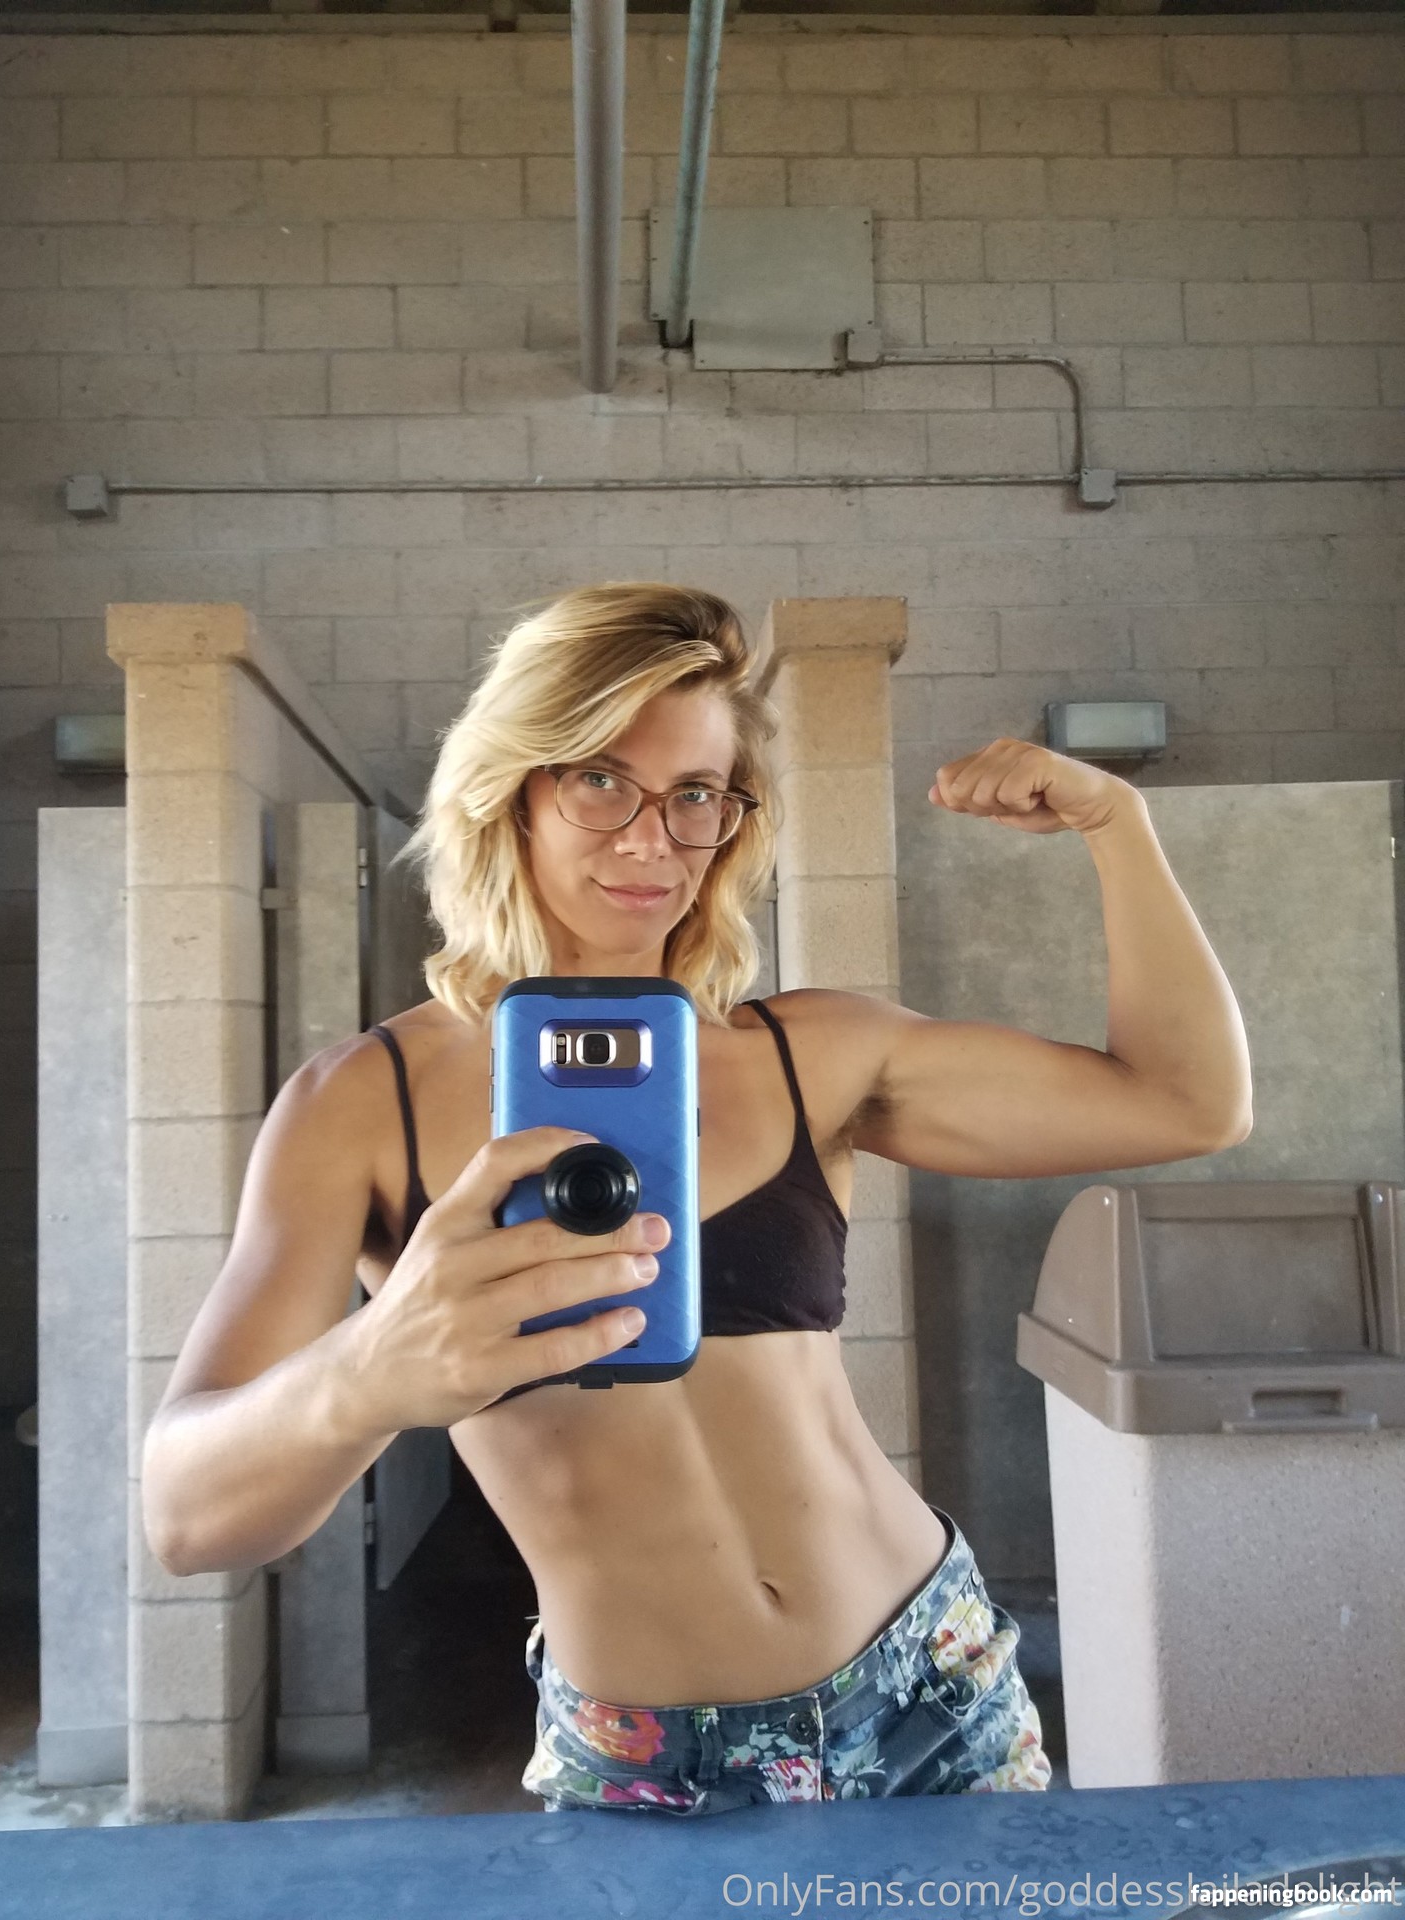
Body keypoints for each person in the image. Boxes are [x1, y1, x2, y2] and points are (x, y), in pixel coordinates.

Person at [141, 582, 1252, 1813]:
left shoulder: (812, 1052)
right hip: (648, 1758)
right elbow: (186, 1518)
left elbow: (1186, 1103)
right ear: (511, 789)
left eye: (695, 796)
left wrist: (1117, 823)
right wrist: (368, 1372)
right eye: (601, 781)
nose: (650, 840)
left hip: (930, 1685)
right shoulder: (361, 1103)